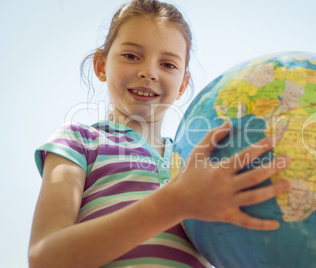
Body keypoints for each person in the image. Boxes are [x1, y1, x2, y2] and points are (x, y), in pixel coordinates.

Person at [28, 0, 292, 267]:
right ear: (101, 65)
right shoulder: (78, 141)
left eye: (168, 64)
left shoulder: (196, 162)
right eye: (131, 56)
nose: (148, 72)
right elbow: (45, 257)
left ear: (182, 85)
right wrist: (175, 203)